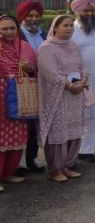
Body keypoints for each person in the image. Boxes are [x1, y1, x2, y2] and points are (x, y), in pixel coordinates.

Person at [37, 15, 86, 182]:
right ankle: (55, 169)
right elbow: (51, 73)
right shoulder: (47, 47)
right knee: (59, 132)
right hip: (57, 97)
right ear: (55, 28)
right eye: (65, 25)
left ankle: (67, 166)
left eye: (71, 26)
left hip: (75, 96)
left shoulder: (73, 46)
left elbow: (82, 67)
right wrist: (70, 85)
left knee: (73, 131)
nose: (69, 28)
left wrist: (83, 81)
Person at [0, 14, 37, 188]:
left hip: (21, 97)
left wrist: (29, 68)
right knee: (1, 139)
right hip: (1, 100)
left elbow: (34, 70)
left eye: (12, 28)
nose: (9, 32)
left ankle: (8, 173)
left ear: (17, 29)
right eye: (4, 29)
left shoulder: (24, 46)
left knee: (17, 136)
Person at [69, 0, 95, 163]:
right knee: (77, 117)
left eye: (92, 10)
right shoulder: (70, 30)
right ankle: (72, 152)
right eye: (85, 10)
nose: (89, 13)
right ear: (77, 11)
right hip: (77, 82)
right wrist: (74, 80)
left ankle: (87, 150)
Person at [14, 0, 46, 174]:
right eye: (30, 15)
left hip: (42, 85)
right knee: (20, 124)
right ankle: (17, 164)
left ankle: (31, 159)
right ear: (22, 17)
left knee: (35, 124)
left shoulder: (46, 35)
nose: (34, 19)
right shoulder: (15, 35)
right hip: (21, 85)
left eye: (37, 15)